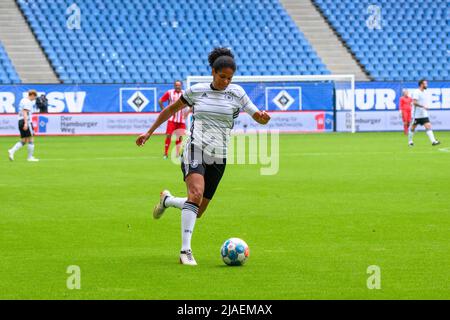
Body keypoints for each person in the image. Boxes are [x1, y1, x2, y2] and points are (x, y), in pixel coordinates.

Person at [136, 47, 271, 265]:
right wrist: (149, 131)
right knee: (196, 194)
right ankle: (185, 251)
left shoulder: (237, 93)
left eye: (229, 78)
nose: (225, 81)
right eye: (222, 76)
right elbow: (170, 110)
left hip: (220, 157)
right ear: (213, 72)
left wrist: (263, 118)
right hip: (195, 148)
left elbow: (256, 115)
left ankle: (167, 200)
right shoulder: (197, 91)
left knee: (197, 210)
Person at [158, 80, 187, 159]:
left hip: (181, 120)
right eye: (176, 85)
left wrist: (182, 108)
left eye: (179, 85)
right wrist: (164, 111)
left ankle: (178, 154)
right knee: (168, 135)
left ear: (181, 86)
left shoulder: (184, 93)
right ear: (174, 86)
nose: (178, 86)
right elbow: (160, 101)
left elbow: (188, 103)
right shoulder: (169, 92)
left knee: (180, 136)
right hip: (172, 119)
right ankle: (165, 153)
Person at [8, 90, 39, 162]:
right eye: (34, 97)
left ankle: (12, 151)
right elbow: (25, 112)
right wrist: (26, 123)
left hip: (20, 120)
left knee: (24, 140)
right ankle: (30, 157)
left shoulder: (23, 100)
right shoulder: (27, 101)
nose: (34, 99)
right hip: (26, 121)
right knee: (31, 139)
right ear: (32, 95)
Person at [408, 79, 440, 146]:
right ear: (421, 85)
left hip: (423, 114)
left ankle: (433, 141)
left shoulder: (425, 92)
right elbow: (414, 102)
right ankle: (410, 141)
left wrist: (425, 107)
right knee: (413, 128)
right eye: (425, 84)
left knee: (428, 126)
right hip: (416, 115)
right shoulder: (416, 92)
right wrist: (423, 106)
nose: (427, 85)